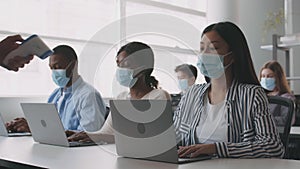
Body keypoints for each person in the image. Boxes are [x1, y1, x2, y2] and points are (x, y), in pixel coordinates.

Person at [174, 22, 284, 158]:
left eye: (213, 48)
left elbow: (273, 147)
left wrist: (215, 148)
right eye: (201, 48)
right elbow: (174, 137)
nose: (204, 54)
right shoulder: (192, 94)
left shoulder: (251, 95)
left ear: (232, 55)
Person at [67, 41, 171, 143]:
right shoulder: (121, 97)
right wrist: (80, 134)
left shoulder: (159, 96)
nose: (120, 69)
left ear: (143, 69)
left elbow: (145, 138)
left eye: (125, 64)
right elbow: (106, 132)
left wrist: (97, 137)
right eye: (118, 64)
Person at [6, 45, 107, 132]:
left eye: (57, 67)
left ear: (73, 66)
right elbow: (47, 126)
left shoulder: (88, 95)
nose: (54, 72)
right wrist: (30, 125)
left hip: (78, 153)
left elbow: (88, 136)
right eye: (51, 68)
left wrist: (37, 129)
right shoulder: (56, 95)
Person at [259, 60, 296, 126]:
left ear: (278, 78)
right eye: (263, 76)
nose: (265, 79)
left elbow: (287, 120)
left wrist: (263, 119)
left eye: (269, 76)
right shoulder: (258, 96)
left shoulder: (287, 98)